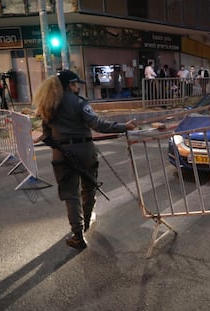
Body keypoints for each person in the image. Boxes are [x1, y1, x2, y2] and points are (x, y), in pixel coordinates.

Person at [33, 70, 137, 250]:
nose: (77, 87)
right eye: (75, 84)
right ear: (69, 85)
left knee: (71, 195)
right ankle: (86, 222)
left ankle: (77, 235)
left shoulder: (49, 105)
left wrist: (61, 148)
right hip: (85, 151)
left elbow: (46, 135)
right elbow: (98, 124)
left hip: (61, 154)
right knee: (88, 187)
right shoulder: (80, 103)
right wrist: (124, 127)